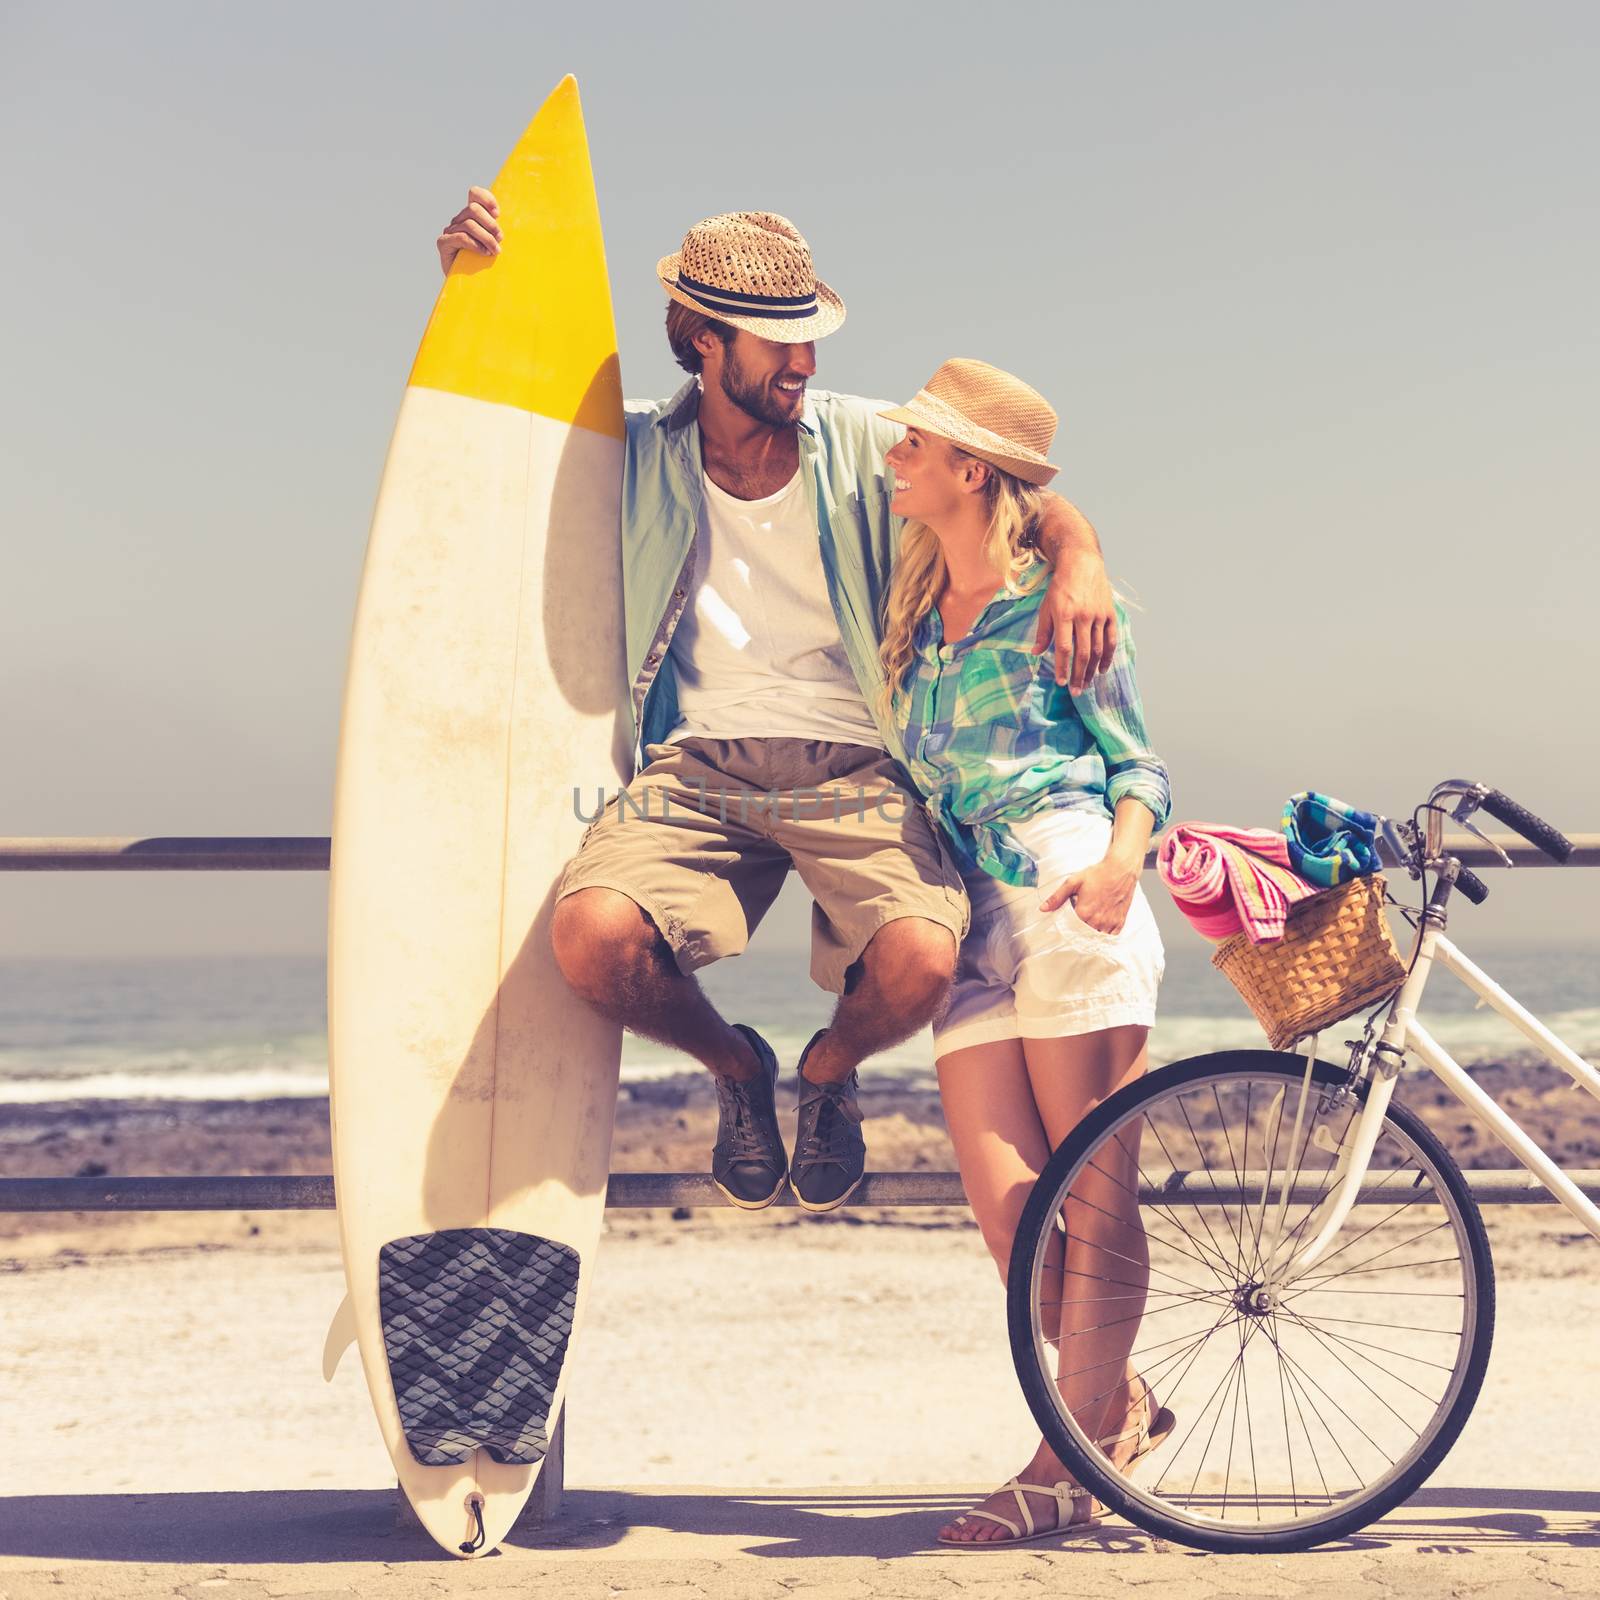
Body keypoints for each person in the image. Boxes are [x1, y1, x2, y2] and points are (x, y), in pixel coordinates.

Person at [434, 195, 1120, 1213]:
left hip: (857, 763)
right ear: (704, 341)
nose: (803, 361)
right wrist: (470, 289)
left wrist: (1081, 561)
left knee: (924, 959)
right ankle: (739, 1067)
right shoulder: (633, 453)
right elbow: (496, 433)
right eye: (779, 341)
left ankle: (828, 1072)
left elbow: (1011, 477)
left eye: (809, 337)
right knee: (590, 938)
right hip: (697, 768)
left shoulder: (861, 441)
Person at [876, 359, 1171, 1546]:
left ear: (968, 470)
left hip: (1067, 895)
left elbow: (1138, 760)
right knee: (1011, 1221)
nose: (893, 453)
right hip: (971, 926)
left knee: (1092, 1209)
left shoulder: (1056, 603)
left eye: (916, 443)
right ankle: (1117, 1406)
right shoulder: (909, 611)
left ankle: (1062, 1461)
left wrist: (1121, 863)